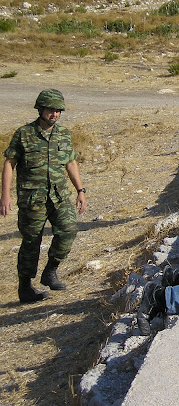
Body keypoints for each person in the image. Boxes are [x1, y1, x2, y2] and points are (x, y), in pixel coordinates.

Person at [1, 89, 87, 303]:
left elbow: (70, 162)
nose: (55, 114)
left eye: (58, 111)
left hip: (58, 197)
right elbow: (9, 163)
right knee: (31, 242)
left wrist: (80, 190)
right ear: (40, 109)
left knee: (68, 229)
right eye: (51, 110)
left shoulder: (63, 134)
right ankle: (25, 287)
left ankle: (51, 271)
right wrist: (5, 196)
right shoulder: (24, 134)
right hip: (32, 199)